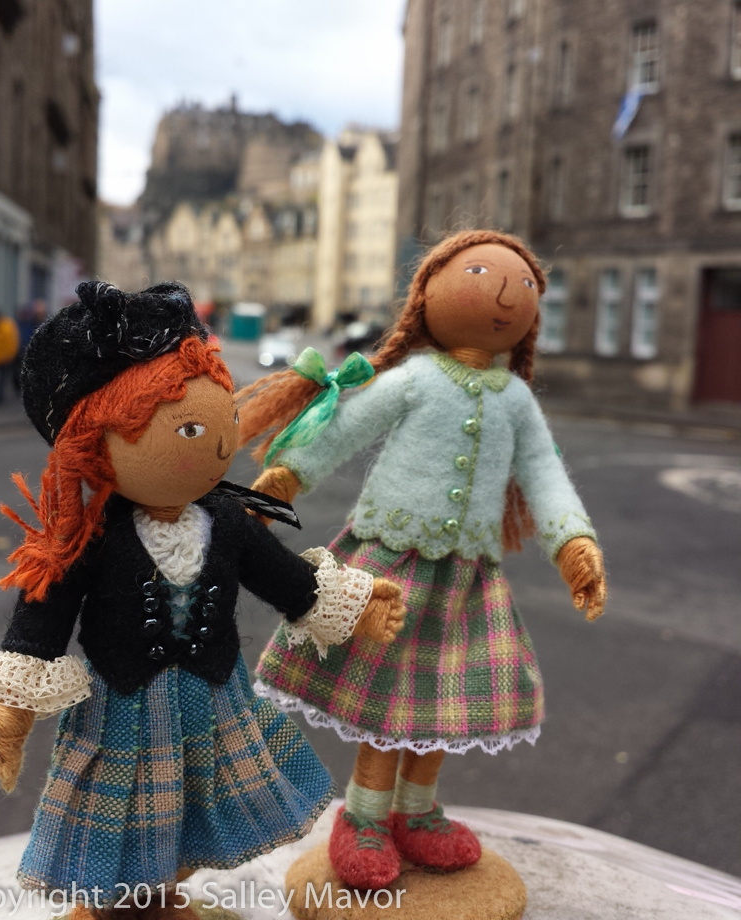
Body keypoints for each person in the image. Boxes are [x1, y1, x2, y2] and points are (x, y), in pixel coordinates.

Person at [0, 281, 405, 919]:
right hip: (123, 708)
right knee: (119, 816)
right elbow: (45, 614)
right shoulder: (93, 536)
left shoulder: (227, 520)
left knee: (201, 809)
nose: (220, 446)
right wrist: (13, 708)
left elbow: (284, 578)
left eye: (223, 420)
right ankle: (111, 904)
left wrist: (350, 606)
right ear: (98, 444)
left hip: (213, 700)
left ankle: (167, 892)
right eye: (192, 429)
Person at [237, 229, 608, 890]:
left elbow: (544, 472)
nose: (507, 291)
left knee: (444, 700)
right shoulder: (414, 380)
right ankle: (364, 816)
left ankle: (416, 812)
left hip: (467, 578)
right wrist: (287, 477)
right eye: (481, 274)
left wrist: (572, 541)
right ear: (426, 294)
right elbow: (346, 426)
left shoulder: (516, 401)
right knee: (386, 696)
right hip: (392, 564)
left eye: (525, 284)